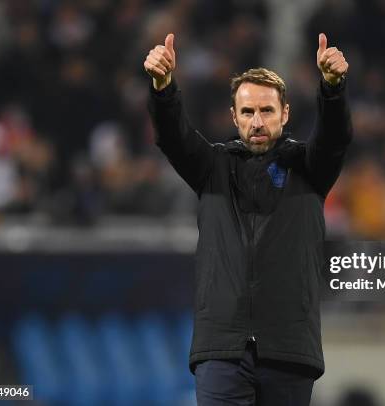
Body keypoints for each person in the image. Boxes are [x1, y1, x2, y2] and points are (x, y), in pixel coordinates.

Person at [144, 31, 351, 406]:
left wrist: (332, 89)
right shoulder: (211, 167)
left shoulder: (309, 168)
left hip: (288, 349)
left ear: (285, 114)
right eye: (248, 111)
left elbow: (335, 138)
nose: (257, 121)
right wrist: (163, 88)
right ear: (234, 117)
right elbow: (173, 137)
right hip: (222, 350)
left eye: (267, 110)